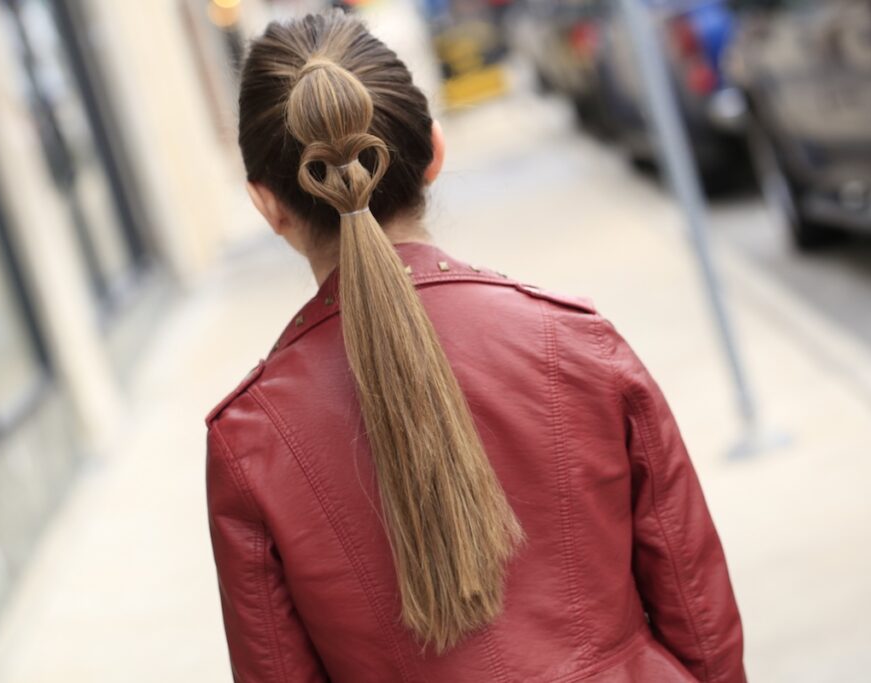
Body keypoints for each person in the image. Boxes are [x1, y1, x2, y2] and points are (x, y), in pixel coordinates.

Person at [205, 11, 746, 683]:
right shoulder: (576, 343)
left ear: (268, 204)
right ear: (433, 151)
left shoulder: (251, 441)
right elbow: (699, 613)